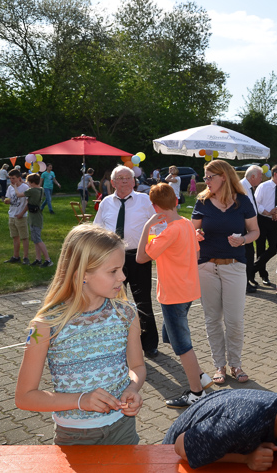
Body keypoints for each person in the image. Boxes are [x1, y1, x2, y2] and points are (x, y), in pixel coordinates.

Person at [14, 225, 146, 445]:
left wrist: (132, 388)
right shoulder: (44, 326)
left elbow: (138, 367)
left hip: (123, 428)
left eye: (122, 268)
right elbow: (24, 397)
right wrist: (80, 400)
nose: (123, 277)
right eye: (113, 271)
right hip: (75, 437)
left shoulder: (127, 313)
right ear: (83, 273)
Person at [136, 183, 212, 408]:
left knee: (182, 345)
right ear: (176, 201)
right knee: (170, 335)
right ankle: (201, 377)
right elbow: (195, 253)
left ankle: (196, 393)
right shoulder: (186, 223)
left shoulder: (168, 231)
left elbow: (140, 257)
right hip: (187, 291)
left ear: (155, 207)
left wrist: (147, 227)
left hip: (174, 294)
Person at [192, 159, 259, 385]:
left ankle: (236, 364)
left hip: (235, 265)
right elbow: (191, 230)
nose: (206, 181)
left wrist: (243, 240)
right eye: (205, 177)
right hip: (206, 266)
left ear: (224, 176)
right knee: (212, 319)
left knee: (234, 320)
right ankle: (219, 365)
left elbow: (255, 231)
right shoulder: (202, 201)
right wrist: (196, 234)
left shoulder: (242, 201)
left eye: (210, 177)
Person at [93, 165, 159, 359]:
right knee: (114, 302)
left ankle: (149, 344)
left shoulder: (144, 200)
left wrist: (151, 249)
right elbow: (97, 228)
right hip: (112, 259)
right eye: (120, 178)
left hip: (138, 257)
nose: (124, 181)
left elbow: (158, 225)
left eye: (128, 178)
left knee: (143, 302)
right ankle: (119, 343)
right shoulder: (106, 202)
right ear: (113, 182)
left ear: (134, 181)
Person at [254, 165, 277, 287]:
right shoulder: (263, 186)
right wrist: (267, 212)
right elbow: (256, 203)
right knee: (260, 247)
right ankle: (263, 275)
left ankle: (252, 269)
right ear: (275, 174)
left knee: (275, 247)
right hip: (262, 220)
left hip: (275, 221)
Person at [17, 173, 53, 267]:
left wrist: (14, 187)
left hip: (35, 219)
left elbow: (19, 195)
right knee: (35, 240)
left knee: (38, 240)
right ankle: (38, 259)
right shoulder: (40, 189)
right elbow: (31, 186)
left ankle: (48, 260)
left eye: (29, 182)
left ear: (32, 183)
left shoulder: (32, 191)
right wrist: (24, 182)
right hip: (37, 217)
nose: (28, 184)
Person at [241, 165, 263, 294]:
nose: (261, 179)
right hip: (243, 227)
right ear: (253, 176)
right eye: (260, 176)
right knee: (247, 255)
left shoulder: (248, 187)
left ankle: (247, 280)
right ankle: (245, 283)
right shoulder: (241, 187)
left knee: (249, 254)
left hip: (249, 226)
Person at [3, 169, 30, 265]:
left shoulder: (25, 187)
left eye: (13, 178)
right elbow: (10, 199)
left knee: (24, 237)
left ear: (19, 178)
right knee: (15, 237)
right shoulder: (10, 187)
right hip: (12, 214)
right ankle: (16, 256)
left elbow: (28, 202)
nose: (11, 180)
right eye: (10, 178)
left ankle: (26, 257)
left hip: (21, 215)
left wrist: (22, 213)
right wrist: (7, 201)